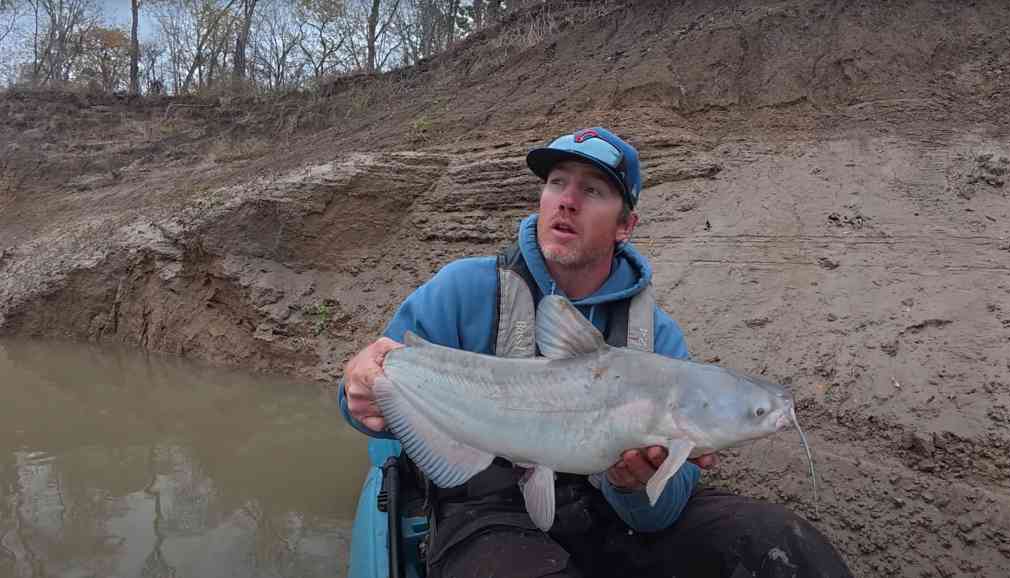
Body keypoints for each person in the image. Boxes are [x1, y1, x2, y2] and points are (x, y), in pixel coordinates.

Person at [340, 127, 853, 578]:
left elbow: (662, 512)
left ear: (625, 225)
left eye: (592, 190)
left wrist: (633, 486)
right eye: (556, 182)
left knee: (786, 545)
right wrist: (358, 383)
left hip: (607, 518)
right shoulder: (462, 288)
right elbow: (364, 403)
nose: (566, 200)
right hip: (484, 515)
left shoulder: (660, 339)